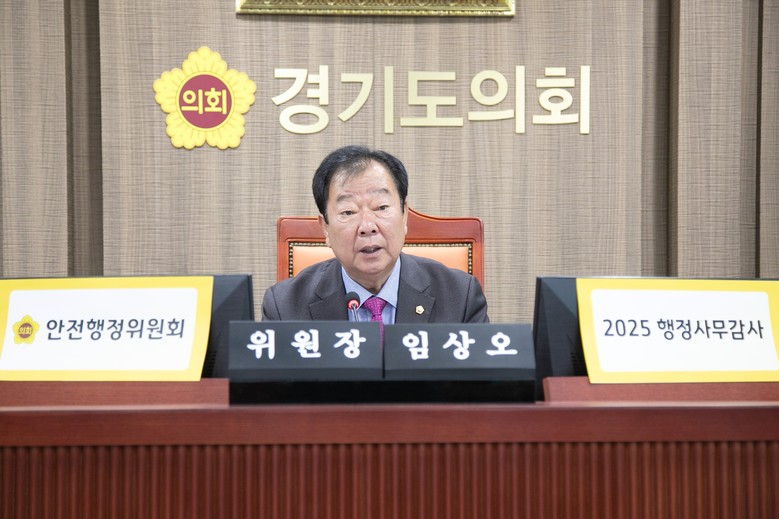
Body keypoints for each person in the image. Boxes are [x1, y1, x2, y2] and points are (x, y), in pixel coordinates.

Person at [261, 145, 489, 324]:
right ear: (325, 228)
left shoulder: (460, 296)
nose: (367, 226)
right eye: (348, 212)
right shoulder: (284, 306)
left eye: (381, 207)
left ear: (404, 216)